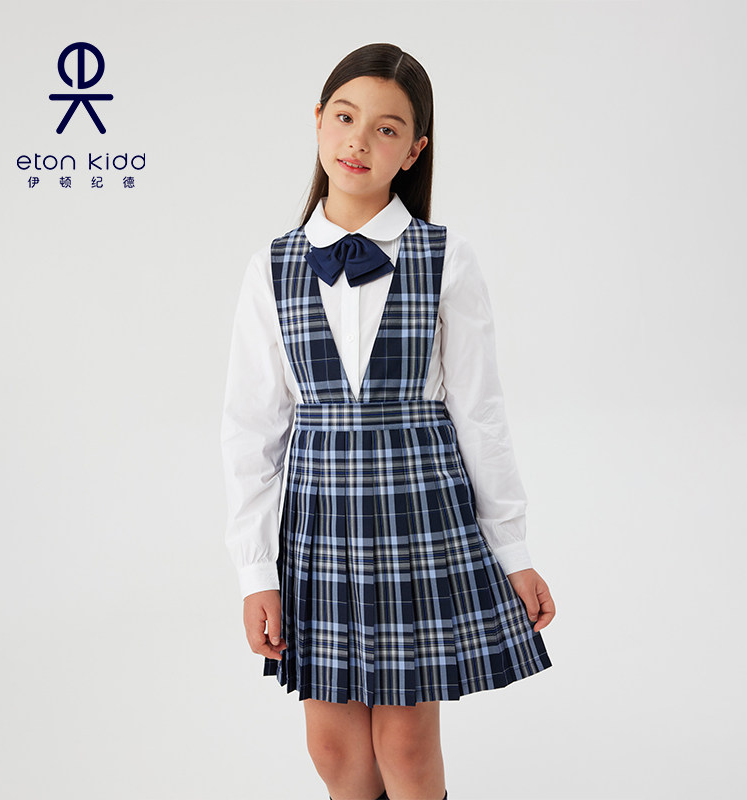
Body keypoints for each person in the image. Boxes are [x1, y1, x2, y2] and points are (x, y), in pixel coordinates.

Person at [221, 42, 556, 800]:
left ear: (414, 150)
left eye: (386, 129)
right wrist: (256, 572)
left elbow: (481, 413)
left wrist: (514, 549)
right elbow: (251, 429)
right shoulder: (272, 266)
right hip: (319, 526)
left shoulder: (445, 257)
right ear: (317, 121)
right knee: (333, 748)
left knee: (405, 742)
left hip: (418, 518)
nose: (359, 142)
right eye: (345, 118)